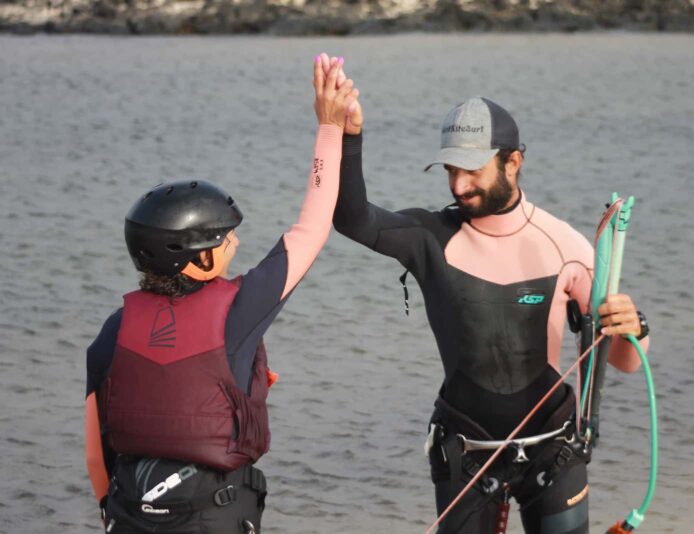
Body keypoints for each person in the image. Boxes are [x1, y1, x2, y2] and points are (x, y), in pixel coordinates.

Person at [329, 77, 651, 533]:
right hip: (466, 448)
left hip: (553, 446)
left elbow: (624, 362)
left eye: (473, 170)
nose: (459, 185)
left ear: (513, 162)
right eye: (450, 170)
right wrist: (346, 136)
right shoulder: (429, 237)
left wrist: (632, 327)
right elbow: (350, 217)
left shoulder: (565, 245)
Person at [84, 57, 359, 534]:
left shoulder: (113, 330)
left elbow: (95, 453)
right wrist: (329, 128)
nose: (234, 244)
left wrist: (112, 512)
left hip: (129, 513)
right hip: (213, 515)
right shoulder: (237, 311)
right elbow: (310, 231)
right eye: (223, 239)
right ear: (198, 260)